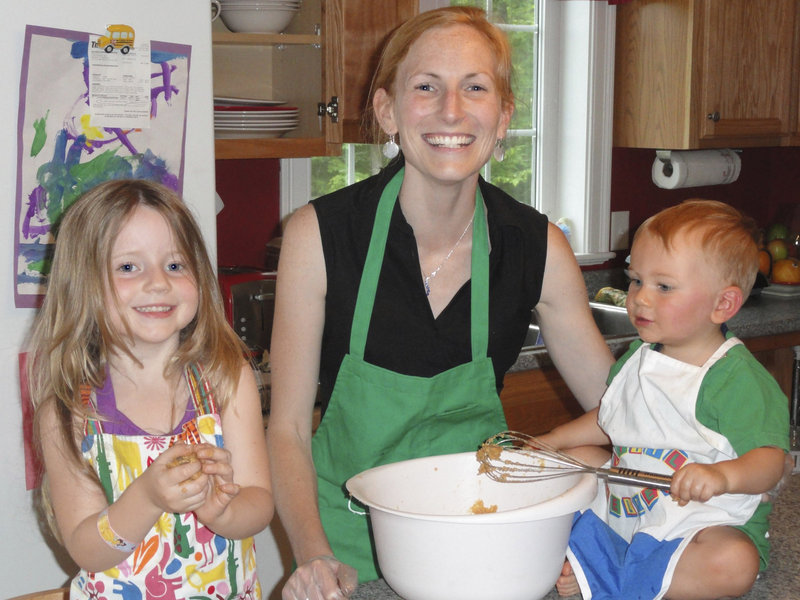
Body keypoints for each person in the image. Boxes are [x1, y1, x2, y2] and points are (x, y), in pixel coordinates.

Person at [266, 6, 615, 599]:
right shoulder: (319, 235)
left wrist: (552, 453)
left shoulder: (538, 247)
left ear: (503, 117)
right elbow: (290, 430)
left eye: (475, 88)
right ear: (387, 111)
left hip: (480, 543)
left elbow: (623, 410)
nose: (451, 110)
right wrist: (314, 557)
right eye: (426, 86)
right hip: (348, 549)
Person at [29, 179, 273, 598]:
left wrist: (222, 511)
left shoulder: (226, 381)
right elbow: (87, 549)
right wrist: (146, 497)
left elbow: (260, 504)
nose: (158, 282)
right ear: (82, 286)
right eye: (128, 267)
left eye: (175, 265)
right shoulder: (70, 412)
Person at [540, 200, 790, 600]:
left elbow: (770, 463)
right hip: (631, 503)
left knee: (734, 562)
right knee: (579, 459)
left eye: (664, 286)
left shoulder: (735, 379)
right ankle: (608, 559)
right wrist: (553, 440)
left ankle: (607, 571)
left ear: (722, 304)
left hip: (698, 525)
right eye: (636, 280)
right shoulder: (640, 358)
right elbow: (611, 417)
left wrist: (722, 476)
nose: (639, 298)